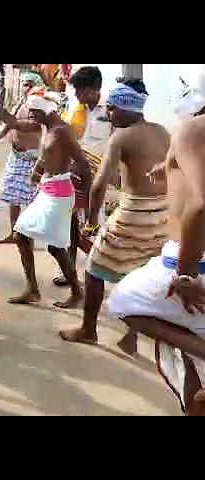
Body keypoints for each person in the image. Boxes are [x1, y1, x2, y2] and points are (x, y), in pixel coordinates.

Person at [107, 77, 205, 416]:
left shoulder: (193, 129)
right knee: (192, 368)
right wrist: (171, 167)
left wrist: (185, 273)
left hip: (190, 259)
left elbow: (200, 203)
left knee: (122, 301)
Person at [59, 80, 170, 352]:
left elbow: (99, 183)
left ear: (126, 108)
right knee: (143, 273)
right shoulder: (163, 131)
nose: (108, 114)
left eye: (112, 109)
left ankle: (88, 329)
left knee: (94, 268)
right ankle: (131, 336)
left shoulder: (121, 137)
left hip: (135, 213)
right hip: (162, 214)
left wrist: (92, 220)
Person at [0, 87, 91, 308]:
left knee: (55, 247)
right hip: (46, 190)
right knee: (21, 234)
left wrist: (88, 205)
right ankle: (32, 289)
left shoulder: (63, 131)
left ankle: (77, 292)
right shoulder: (45, 126)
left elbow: (83, 166)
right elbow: (15, 123)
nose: (31, 116)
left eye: (34, 112)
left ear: (45, 110)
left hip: (61, 194)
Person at [54, 66, 112, 287]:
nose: (76, 94)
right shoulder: (76, 109)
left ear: (92, 89)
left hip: (96, 178)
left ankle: (95, 274)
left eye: (79, 90)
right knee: (69, 225)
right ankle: (69, 272)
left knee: (94, 224)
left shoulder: (111, 110)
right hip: (72, 174)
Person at [0, 72, 44, 244]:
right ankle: (14, 233)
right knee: (13, 197)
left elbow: (19, 125)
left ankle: (28, 236)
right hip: (16, 156)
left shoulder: (40, 108)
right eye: (24, 84)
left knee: (29, 198)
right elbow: (8, 124)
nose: (27, 87)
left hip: (30, 158)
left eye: (30, 84)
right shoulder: (20, 103)